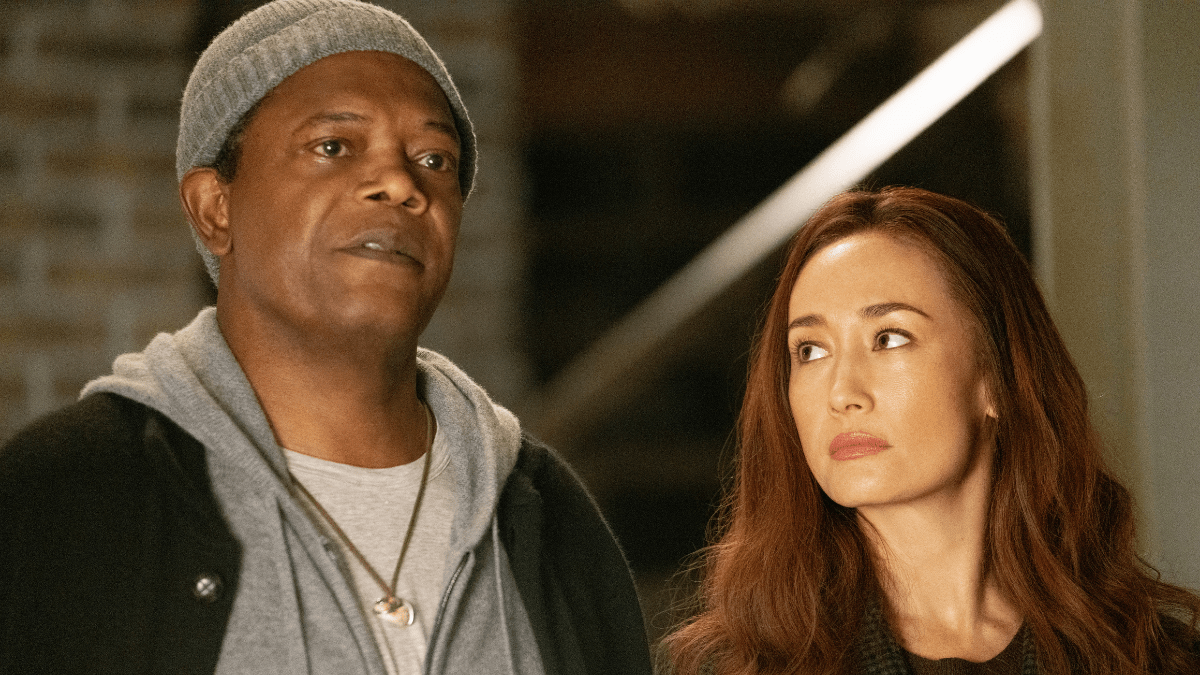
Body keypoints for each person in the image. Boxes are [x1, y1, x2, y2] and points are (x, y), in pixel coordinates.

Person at [0, 2, 652, 674]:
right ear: (215, 208)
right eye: (333, 146)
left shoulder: (547, 515)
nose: (400, 184)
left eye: (434, 159)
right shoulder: (64, 500)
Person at [663, 187, 1200, 674]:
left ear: (995, 378)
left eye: (889, 338)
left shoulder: (1148, 657)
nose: (842, 393)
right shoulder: (741, 666)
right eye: (810, 350)